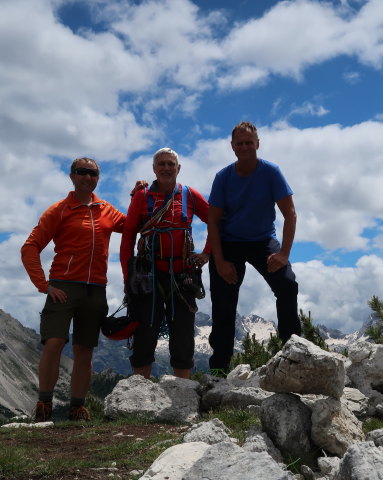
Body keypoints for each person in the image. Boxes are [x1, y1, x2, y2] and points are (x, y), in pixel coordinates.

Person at [21, 157, 126, 422]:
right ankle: (44, 404)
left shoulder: (106, 210)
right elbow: (30, 247)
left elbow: (131, 224)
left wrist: (140, 195)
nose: (87, 177)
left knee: (84, 349)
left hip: (96, 288)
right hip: (64, 287)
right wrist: (43, 285)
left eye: (93, 173)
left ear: (98, 178)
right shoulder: (59, 210)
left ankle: (77, 408)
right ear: (72, 176)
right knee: (54, 342)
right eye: (82, 172)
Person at [207, 121, 301, 373]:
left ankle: (294, 356)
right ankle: (218, 370)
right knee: (224, 303)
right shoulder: (223, 177)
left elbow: (290, 214)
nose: (245, 147)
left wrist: (284, 254)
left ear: (257, 144)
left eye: (249, 142)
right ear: (232, 147)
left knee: (287, 284)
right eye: (240, 143)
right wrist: (219, 261)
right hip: (229, 242)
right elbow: (213, 222)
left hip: (262, 240)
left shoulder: (271, 172)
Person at [120, 148, 210, 379]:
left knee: (183, 334)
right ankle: (140, 395)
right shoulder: (141, 197)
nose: (166, 168)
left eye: (171, 164)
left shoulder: (189, 195)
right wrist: (128, 278)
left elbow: (215, 221)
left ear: (178, 169)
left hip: (183, 275)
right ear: (154, 169)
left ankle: (183, 395)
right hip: (148, 276)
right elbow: (128, 236)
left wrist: (207, 253)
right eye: (161, 164)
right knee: (144, 333)